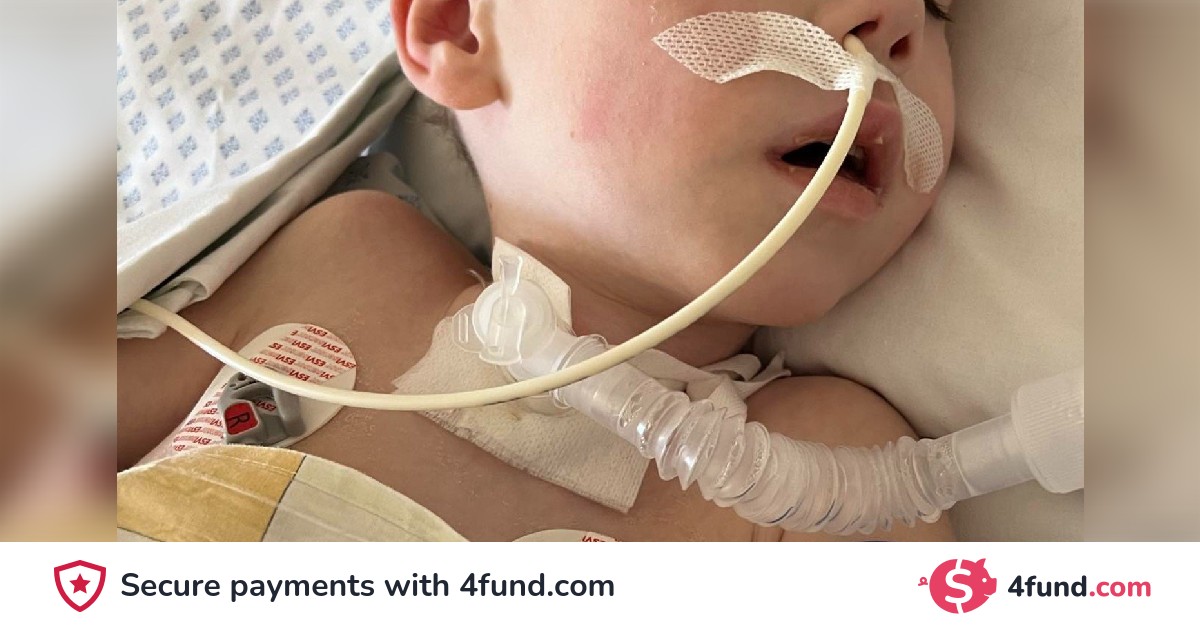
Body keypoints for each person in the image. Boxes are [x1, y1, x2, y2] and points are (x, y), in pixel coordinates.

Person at [118, 0, 956, 541]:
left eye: (939, 1)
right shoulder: (343, 258)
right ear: (457, 28)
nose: (889, 20)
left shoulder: (828, 485)